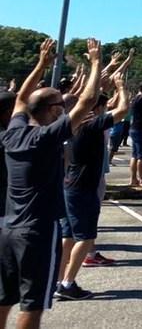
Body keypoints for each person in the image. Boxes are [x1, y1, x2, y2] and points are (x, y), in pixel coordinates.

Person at [0, 39, 102, 328]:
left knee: (4, 298)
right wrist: (96, 64)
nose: (64, 107)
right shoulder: (46, 139)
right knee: (32, 305)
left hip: (9, 229)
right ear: (53, 110)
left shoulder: (13, 133)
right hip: (38, 232)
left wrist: (41, 64)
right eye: (60, 104)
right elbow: (87, 101)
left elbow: (21, 98)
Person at [55, 72, 130, 301]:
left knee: (68, 236)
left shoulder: (71, 123)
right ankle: (67, 284)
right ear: (96, 108)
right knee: (85, 237)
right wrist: (120, 87)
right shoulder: (92, 124)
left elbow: (87, 97)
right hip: (83, 188)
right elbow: (123, 110)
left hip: (70, 185)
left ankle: (58, 280)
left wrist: (99, 79)